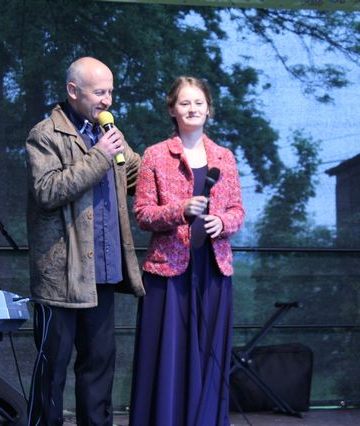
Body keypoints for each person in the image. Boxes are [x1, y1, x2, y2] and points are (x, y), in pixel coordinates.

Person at [25, 56, 145, 426]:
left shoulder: (109, 134)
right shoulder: (45, 134)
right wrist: (99, 157)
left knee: (99, 368)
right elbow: (47, 191)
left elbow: (137, 176)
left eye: (110, 92)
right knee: (52, 370)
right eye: (99, 92)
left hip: (103, 274)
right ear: (73, 91)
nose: (107, 100)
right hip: (61, 279)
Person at [129, 76, 245, 426]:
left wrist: (222, 222)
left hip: (212, 269)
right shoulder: (155, 155)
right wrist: (179, 210)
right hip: (168, 271)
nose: (192, 109)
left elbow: (237, 211)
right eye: (184, 103)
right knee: (169, 355)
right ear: (172, 110)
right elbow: (142, 214)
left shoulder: (224, 157)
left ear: (209, 109)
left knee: (209, 355)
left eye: (198, 103)